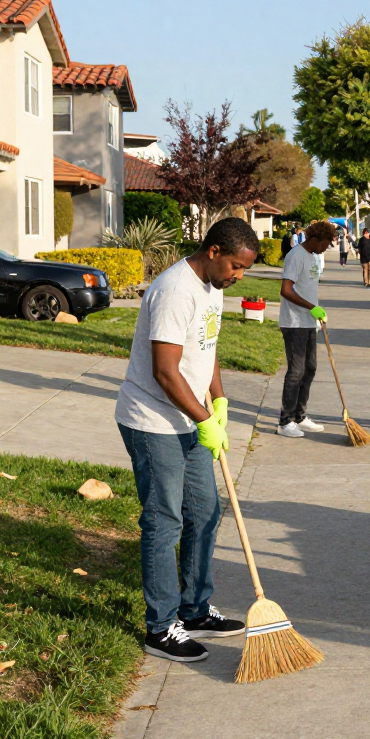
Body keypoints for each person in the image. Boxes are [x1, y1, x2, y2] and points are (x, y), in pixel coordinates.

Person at [116, 217, 260, 664]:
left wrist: (218, 401)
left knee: (206, 512)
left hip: (191, 418)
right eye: (236, 266)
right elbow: (165, 371)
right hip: (153, 421)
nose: (239, 276)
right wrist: (204, 420)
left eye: (245, 270)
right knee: (164, 522)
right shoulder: (174, 290)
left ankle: (194, 610)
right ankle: (160, 627)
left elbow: (206, 348)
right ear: (214, 251)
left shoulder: (212, 288)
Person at [277, 220, 337, 437]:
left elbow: (307, 289)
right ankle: (285, 421)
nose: (327, 247)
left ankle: (300, 416)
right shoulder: (296, 256)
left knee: (310, 369)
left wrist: (316, 312)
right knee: (296, 371)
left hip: (309, 322)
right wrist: (312, 307)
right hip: (294, 323)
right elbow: (286, 289)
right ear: (318, 238)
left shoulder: (312, 257)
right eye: (327, 243)